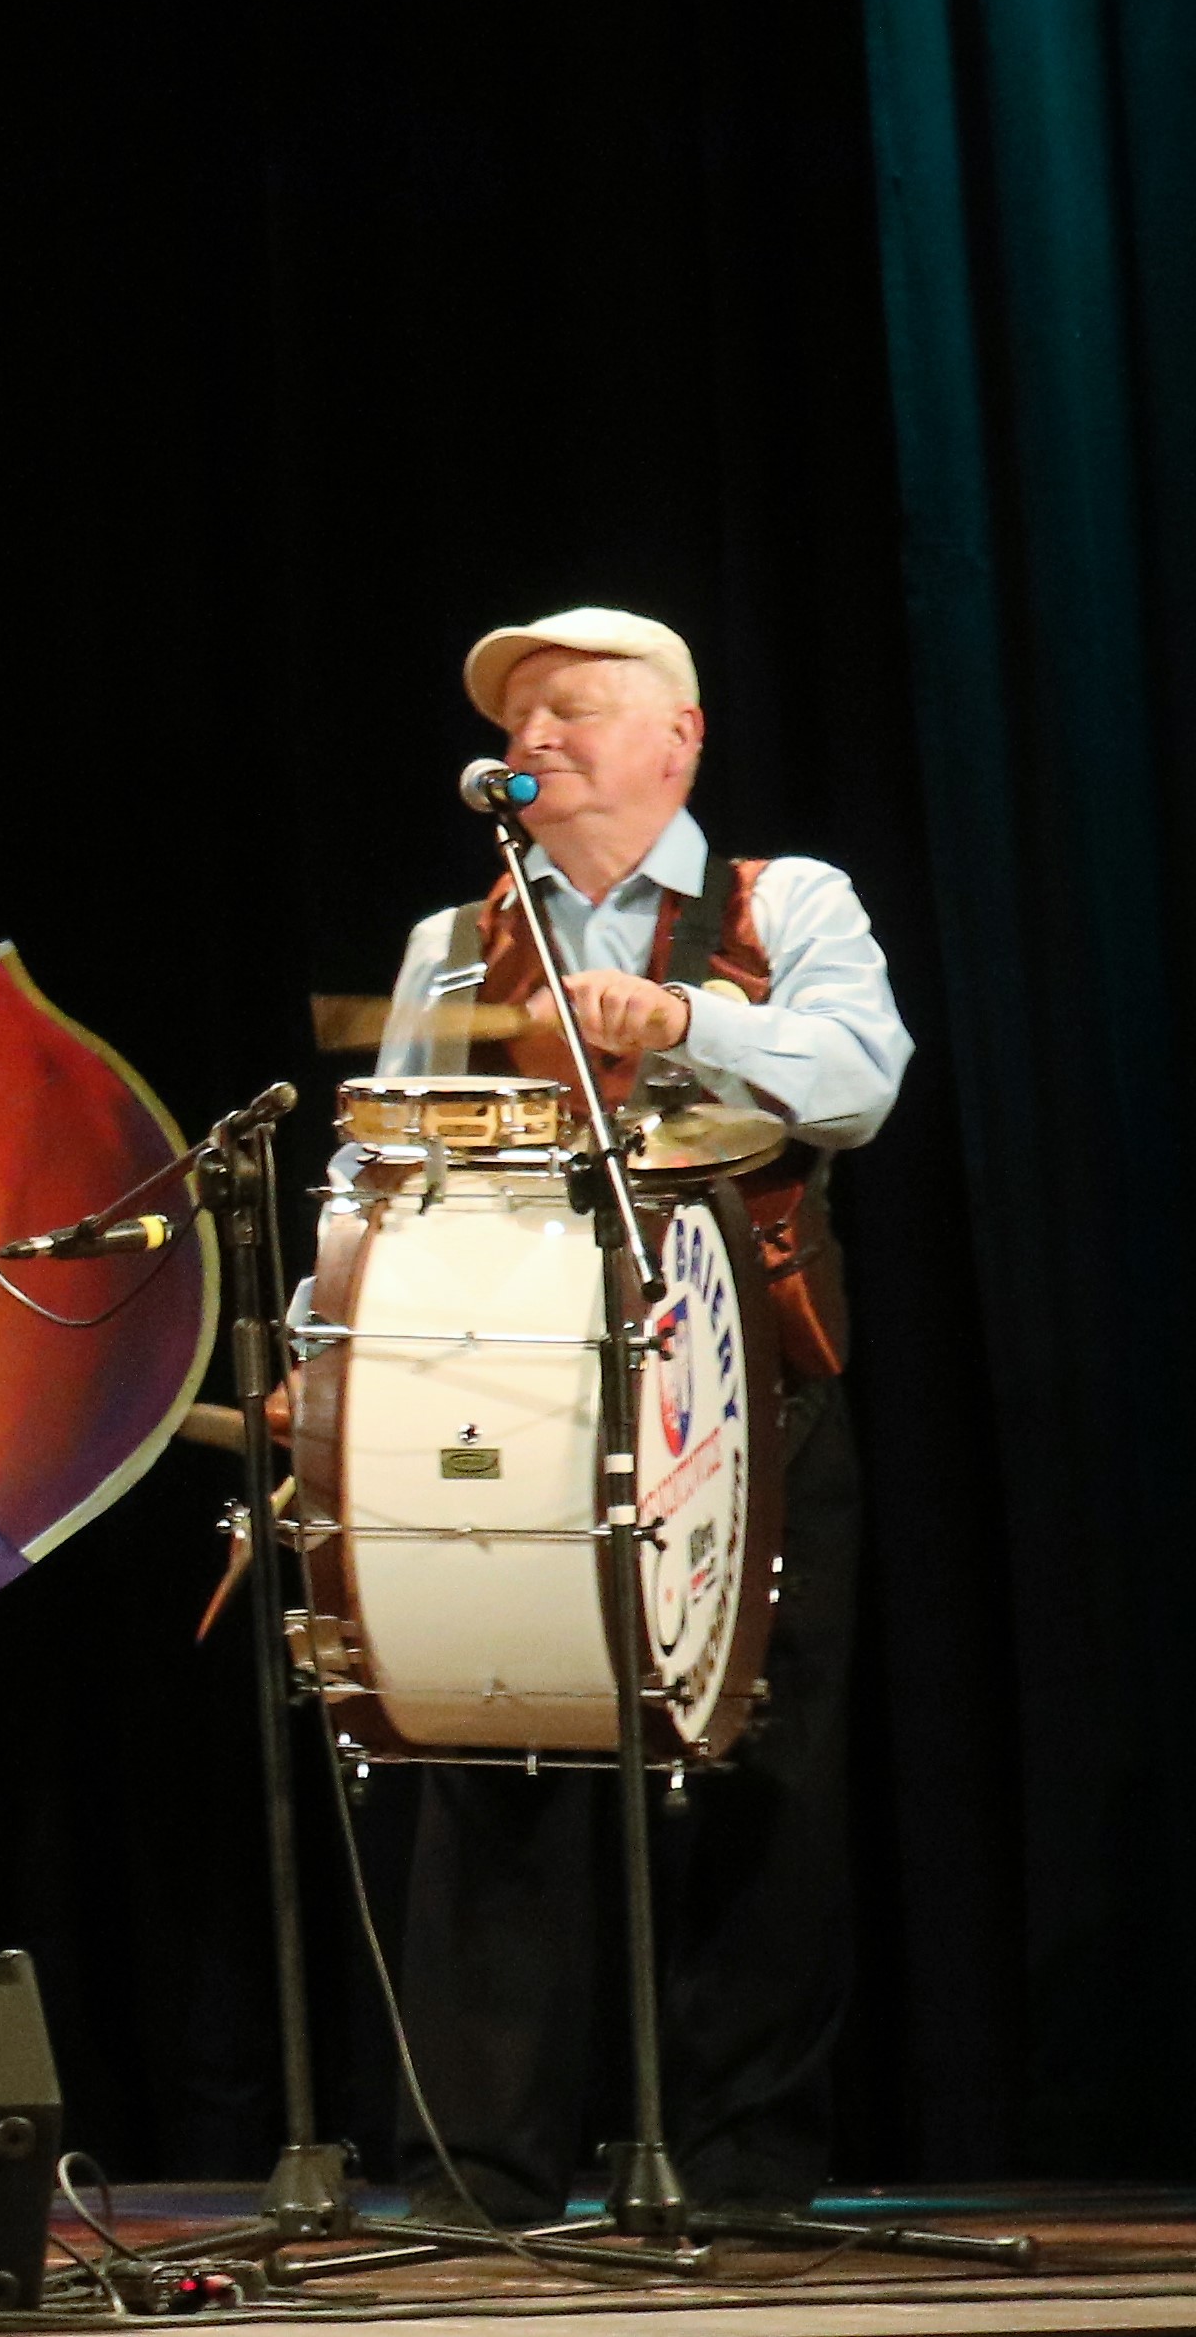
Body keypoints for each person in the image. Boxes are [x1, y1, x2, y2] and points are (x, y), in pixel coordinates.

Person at [371, 605, 903, 2220]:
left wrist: (688, 1021)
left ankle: (741, 2166)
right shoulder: (454, 941)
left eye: (572, 709)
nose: (532, 739)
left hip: (749, 1398)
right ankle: (483, 2172)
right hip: (508, 1398)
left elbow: (863, 1080)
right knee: (494, 1745)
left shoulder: (782, 901)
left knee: (764, 1768)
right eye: (517, 719)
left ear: (677, 738)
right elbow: (384, 1170)